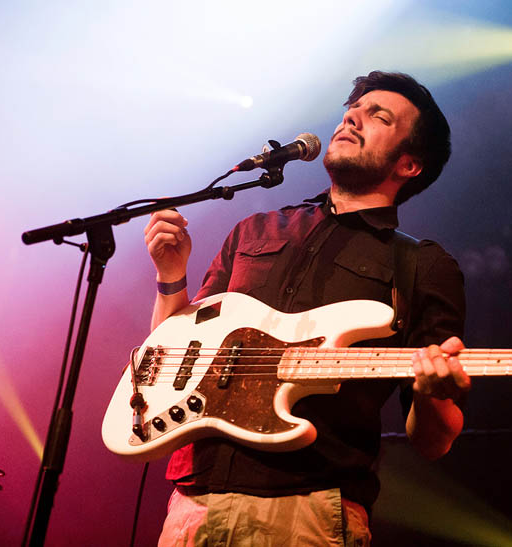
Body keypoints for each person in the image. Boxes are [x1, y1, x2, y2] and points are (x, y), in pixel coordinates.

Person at [144, 71, 470, 545]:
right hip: (194, 501)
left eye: (377, 116)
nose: (352, 119)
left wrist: (432, 391)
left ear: (409, 165)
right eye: (351, 111)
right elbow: (172, 354)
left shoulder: (423, 265)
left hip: (310, 508)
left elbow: (435, 441)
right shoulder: (255, 230)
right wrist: (171, 276)